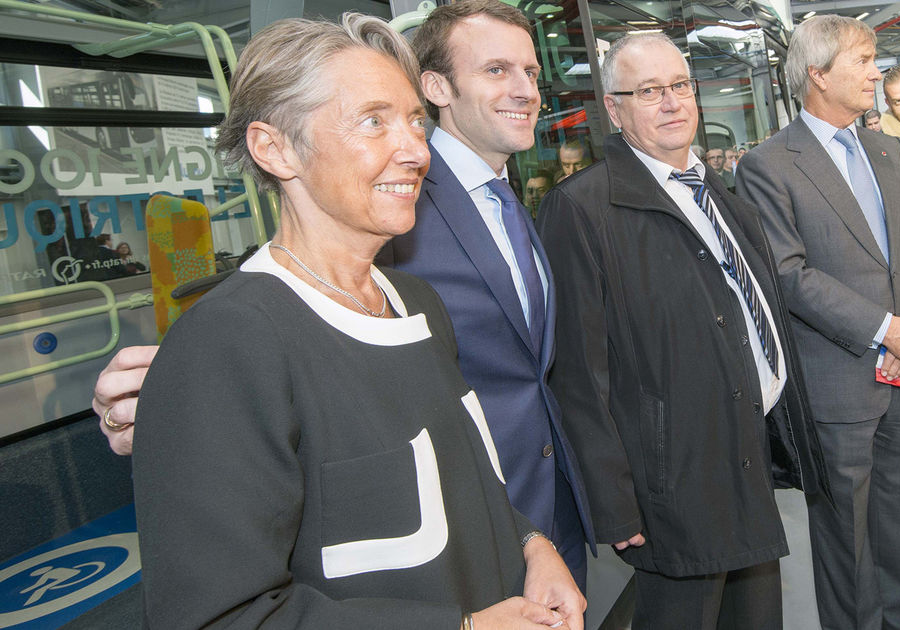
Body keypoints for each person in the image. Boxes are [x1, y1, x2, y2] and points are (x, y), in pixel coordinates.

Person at [93, 0, 594, 590]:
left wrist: (531, 542)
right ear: (274, 148)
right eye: (373, 121)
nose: (414, 149)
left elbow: (455, 465)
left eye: (413, 120)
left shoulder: (414, 300)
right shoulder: (232, 337)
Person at [538, 32, 829, 629]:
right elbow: (577, 375)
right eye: (648, 91)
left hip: (745, 448)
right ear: (614, 110)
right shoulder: (584, 208)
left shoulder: (717, 188)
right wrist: (615, 504)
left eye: (678, 86)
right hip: (673, 479)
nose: (671, 102)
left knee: (753, 615)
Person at [738, 15, 900, 630]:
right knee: (845, 541)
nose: (876, 71)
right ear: (818, 74)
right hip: (839, 385)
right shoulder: (769, 165)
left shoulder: (889, 149)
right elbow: (789, 273)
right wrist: (888, 329)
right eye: (862, 59)